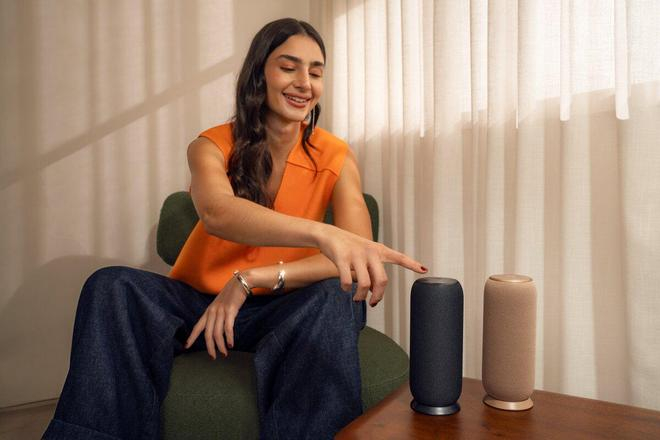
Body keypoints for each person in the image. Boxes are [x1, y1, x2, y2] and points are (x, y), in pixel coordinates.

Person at [42, 18, 426, 440]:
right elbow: (218, 212)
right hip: (198, 304)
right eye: (289, 67)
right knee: (110, 286)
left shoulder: (336, 155)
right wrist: (324, 233)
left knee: (336, 297)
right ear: (259, 72)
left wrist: (251, 279)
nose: (304, 82)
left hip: (287, 306)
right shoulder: (210, 145)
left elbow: (354, 257)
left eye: (316, 72)